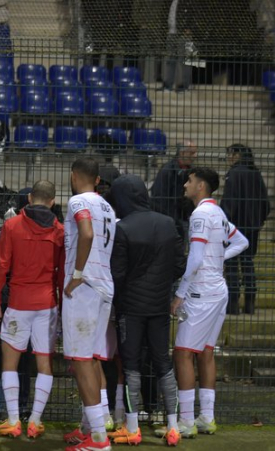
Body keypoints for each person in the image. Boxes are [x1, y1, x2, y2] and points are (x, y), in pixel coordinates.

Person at [107, 174, 185, 446]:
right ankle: (173, 426)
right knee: (163, 362)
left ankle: (132, 427)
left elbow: (117, 273)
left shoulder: (124, 228)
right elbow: (179, 265)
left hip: (131, 307)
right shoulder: (167, 224)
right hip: (160, 305)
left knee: (131, 367)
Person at [171, 167, 248, 438]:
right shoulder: (218, 213)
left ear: (201, 186)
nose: (185, 185)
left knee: (182, 353)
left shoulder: (201, 214)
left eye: (189, 181)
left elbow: (194, 258)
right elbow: (242, 241)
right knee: (205, 352)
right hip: (219, 291)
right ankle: (206, 418)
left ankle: (187, 422)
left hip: (201, 293)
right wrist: (219, 259)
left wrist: (180, 293)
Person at [0, 180, 65, 440]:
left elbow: (0, 267)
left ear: (30, 198)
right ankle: (34, 421)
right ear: (53, 201)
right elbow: (62, 273)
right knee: (44, 363)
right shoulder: (59, 232)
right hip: (47, 303)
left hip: (19, 303)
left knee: (10, 362)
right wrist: (62, 307)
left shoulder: (11, 226)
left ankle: (13, 420)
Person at [60, 157, 117, 451]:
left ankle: (98, 439)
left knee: (80, 361)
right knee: (92, 359)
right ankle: (92, 428)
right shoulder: (108, 207)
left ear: (73, 176)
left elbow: (86, 232)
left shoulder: (77, 201)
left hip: (85, 287)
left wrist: (77, 275)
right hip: (104, 285)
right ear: (96, 179)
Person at [220, 144, 270, 315]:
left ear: (237, 155)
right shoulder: (255, 173)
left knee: (232, 265)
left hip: (234, 227)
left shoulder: (233, 174)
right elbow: (265, 203)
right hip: (252, 227)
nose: (228, 158)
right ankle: (250, 302)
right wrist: (258, 220)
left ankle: (232, 303)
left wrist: (223, 222)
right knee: (248, 263)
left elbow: (229, 203)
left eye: (230, 154)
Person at [150, 140, 198, 242]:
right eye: (192, 153)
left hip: (184, 218)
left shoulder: (192, 171)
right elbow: (159, 198)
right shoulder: (167, 171)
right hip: (170, 220)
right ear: (182, 153)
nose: (195, 156)